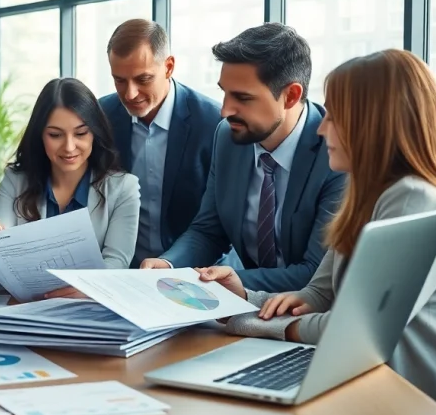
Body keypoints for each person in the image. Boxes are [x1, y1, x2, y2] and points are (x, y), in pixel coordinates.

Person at [198, 49, 436, 409]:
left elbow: (354, 333)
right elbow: (318, 295)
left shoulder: (417, 199)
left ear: (374, 125)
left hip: (411, 410)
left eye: (334, 117)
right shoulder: (367, 194)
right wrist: (242, 297)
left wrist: (253, 322)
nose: (322, 129)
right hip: (361, 388)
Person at [142, 23, 346, 293]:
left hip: (308, 309)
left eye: (243, 98)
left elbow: (315, 274)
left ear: (291, 96)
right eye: (225, 93)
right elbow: (208, 231)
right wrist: (169, 265)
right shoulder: (228, 137)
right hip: (244, 304)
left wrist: (228, 282)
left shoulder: (336, 153)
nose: (225, 111)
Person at [0, 78, 141, 298]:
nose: (69, 147)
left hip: (88, 305)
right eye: (55, 135)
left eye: (80, 133)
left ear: (95, 133)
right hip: (22, 306)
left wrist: (86, 288)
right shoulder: (15, 180)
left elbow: (116, 264)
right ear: (40, 135)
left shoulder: (124, 188)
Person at [99, 19, 222, 267]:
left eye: (143, 79)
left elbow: (219, 224)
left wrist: (169, 263)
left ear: (168, 67)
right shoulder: (102, 116)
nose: (130, 94)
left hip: (197, 270)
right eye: (119, 80)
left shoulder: (213, 123)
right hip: (123, 271)